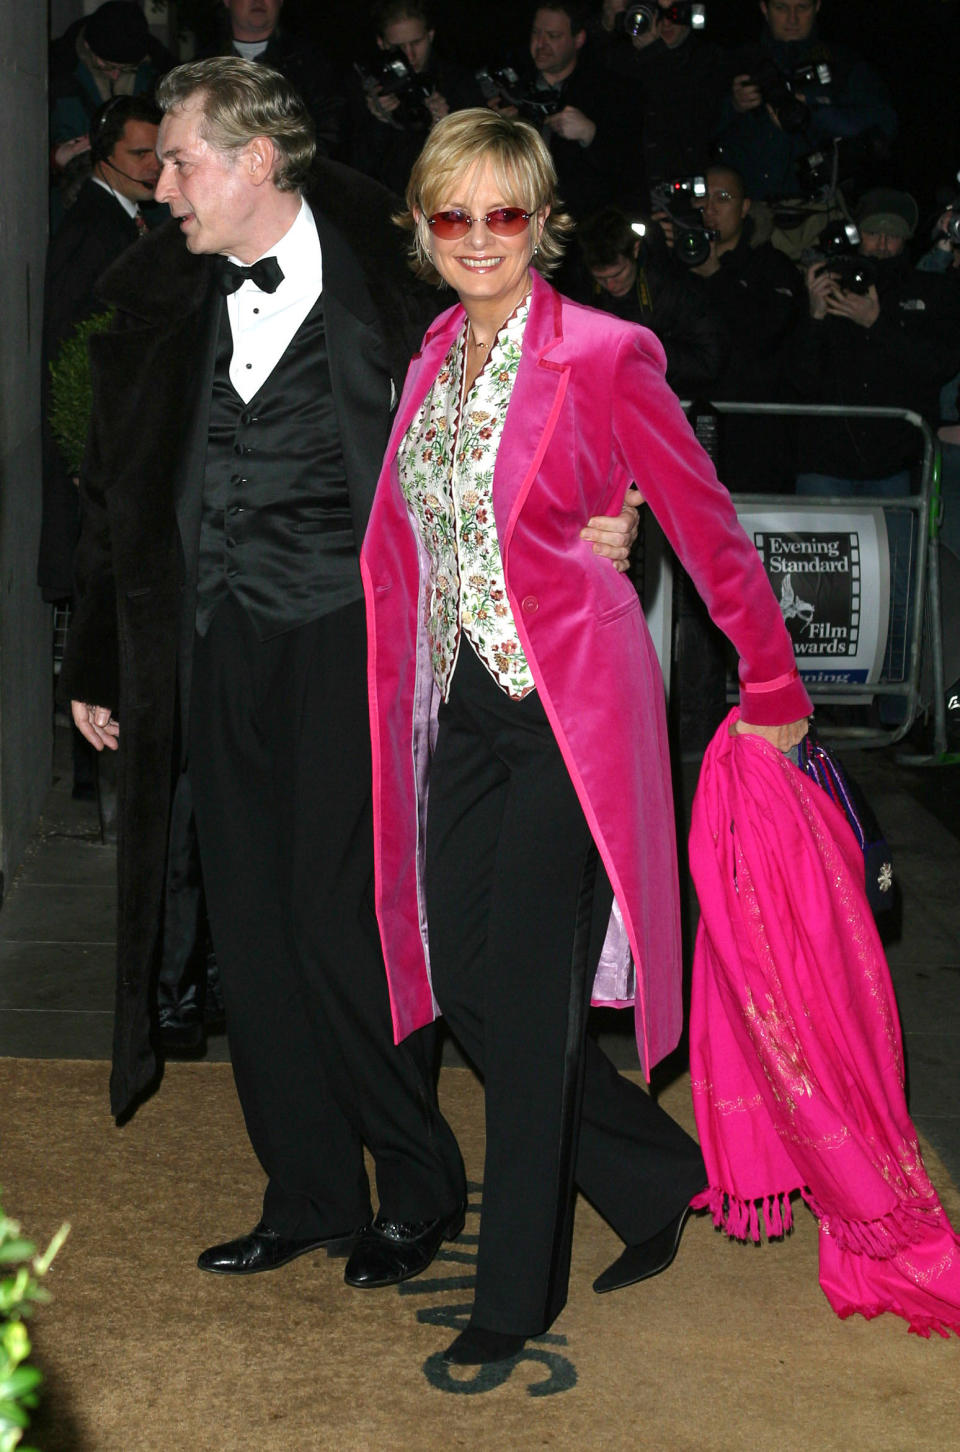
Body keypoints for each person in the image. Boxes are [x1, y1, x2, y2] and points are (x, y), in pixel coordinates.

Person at [59, 59, 637, 1287]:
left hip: (353, 643)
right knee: (254, 932)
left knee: (346, 929)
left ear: (257, 159)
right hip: (219, 646)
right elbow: (123, 499)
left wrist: (607, 510)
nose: (161, 186)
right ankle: (309, 1191)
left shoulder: (394, 268)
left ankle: (416, 1183)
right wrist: (104, 654)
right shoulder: (165, 298)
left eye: (180, 161)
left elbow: (537, 370)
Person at [360, 106, 811, 1366]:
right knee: (462, 986)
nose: (481, 237)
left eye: (508, 212)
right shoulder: (427, 361)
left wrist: (772, 687)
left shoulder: (609, 351)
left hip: (569, 713)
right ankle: (657, 1168)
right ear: (421, 228)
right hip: (461, 711)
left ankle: (515, 1298)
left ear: (545, 222)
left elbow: (705, 523)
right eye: (455, 214)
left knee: (529, 994)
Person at [713, 0, 897, 203]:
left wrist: (814, 112)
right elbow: (696, 129)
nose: (792, 19)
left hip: (822, 207)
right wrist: (734, 106)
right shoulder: (735, 62)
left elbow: (885, 124)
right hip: (752, 209)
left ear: (817, 6)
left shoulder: (843, 64)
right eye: (781, 8)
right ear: (764, 8)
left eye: (802, 7)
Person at [487, 3, 645, 221]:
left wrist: (591, 134)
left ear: (578, 39)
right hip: (519, 221)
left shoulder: (608, 92)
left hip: (581, 230)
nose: (540, 43)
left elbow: (631, 170)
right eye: (536, 33)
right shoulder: (514, 87)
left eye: (553, 36)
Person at [576, 203, 726, 399]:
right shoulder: (580, 294)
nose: (611, 285)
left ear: (635, 250)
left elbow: (709, 362)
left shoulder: (673, 287)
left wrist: (647, 349)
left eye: (618, 274)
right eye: (601, 278)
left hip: (663, 405)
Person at [348, 1, 484, 196]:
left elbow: (480, 160)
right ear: (382, 43)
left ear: (430, 36)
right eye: (398, 47)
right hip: (386, 207)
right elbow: (354, 171)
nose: (409, 55)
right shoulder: (366, 87)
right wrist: (380, 120)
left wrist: (447, 126)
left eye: (416, 43)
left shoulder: (457, 82)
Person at [49, 1, 172, 214]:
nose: (115, 75)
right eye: (106, 66)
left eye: (126, 69)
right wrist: (55, 159)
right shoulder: (56, 71)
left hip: (148, 207)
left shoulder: (160, 76)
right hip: (74, 204)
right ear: (87, 46)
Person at [595, 0, 727, 191]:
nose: (665, 23)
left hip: (684, 189)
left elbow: (694, 115)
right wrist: (607, 25)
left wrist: (654, 52)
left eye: (675, 13)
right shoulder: (619, 57)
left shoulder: (708, 58)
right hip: (629, 187)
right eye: (655, 13)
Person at [201, 0, 347, 157]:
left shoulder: (313, 65)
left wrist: (291, 169)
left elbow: (333, 131)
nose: (258, 1)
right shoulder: (202, 69)